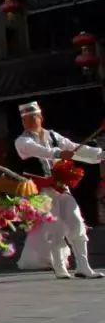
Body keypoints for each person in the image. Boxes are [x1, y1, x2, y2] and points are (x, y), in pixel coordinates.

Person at [14, 101, 104, 279]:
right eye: (25, 119)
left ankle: (83, 266)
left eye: (32, 117)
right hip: (40, 191)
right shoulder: (22, 141)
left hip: (62, 188)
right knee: (54, 228)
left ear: (41, 117)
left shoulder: (53, 136)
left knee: (76, 222)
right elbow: (38, 150)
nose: (29, 121)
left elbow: (74, 148)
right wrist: (58, 153)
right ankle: (59, 266)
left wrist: (100, 154)